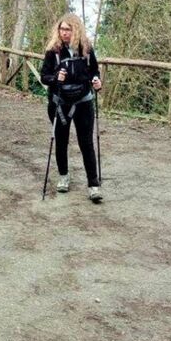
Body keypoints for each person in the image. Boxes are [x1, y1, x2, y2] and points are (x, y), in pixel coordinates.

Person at [40, 13, 103, 203]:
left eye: (68, 29)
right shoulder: (53, 51)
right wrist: (54, 78)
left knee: (86, 144)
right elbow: (44, 76)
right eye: (62, 29)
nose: (64, 33)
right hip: (60, 103)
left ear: (76, 30)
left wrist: (97, 81)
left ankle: (93, 185)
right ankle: (63, 176)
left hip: (84, 102)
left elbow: (94, 71)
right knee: (61, 140)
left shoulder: (86, 49)